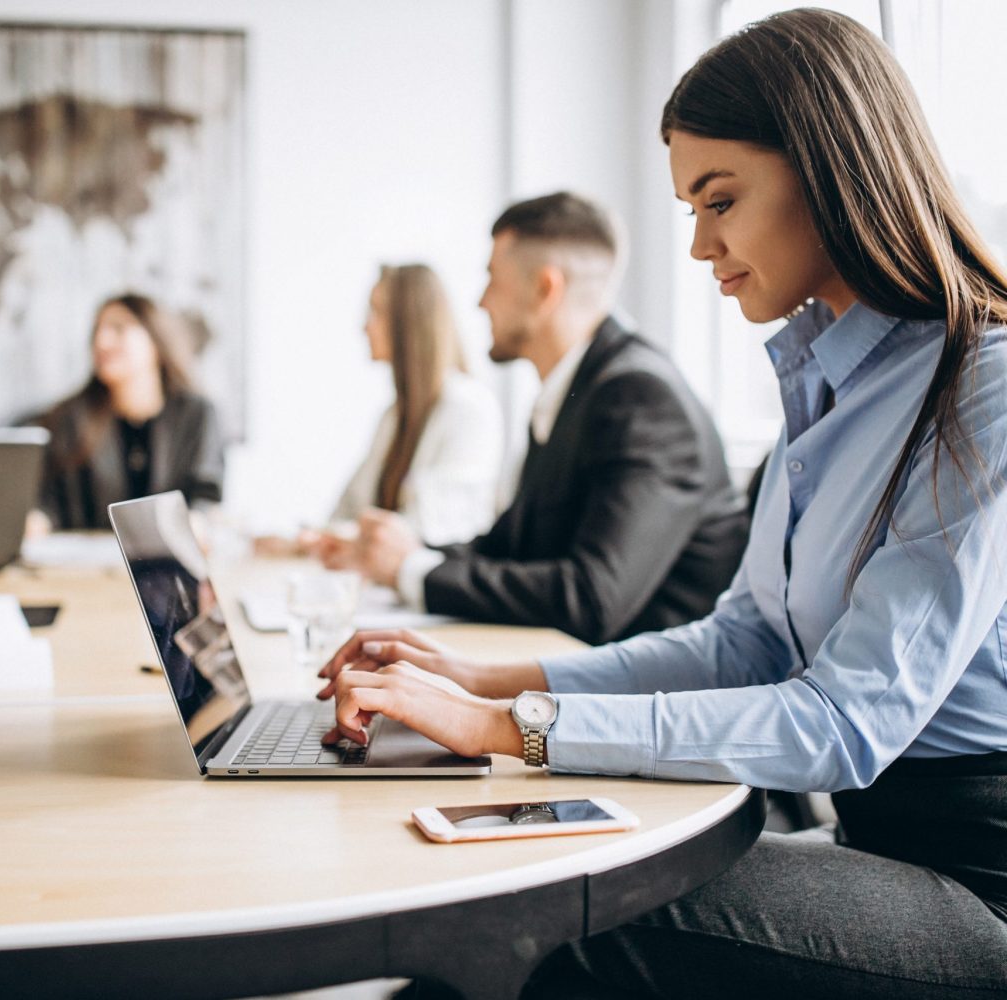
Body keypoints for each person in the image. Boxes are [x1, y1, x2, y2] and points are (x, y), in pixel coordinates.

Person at [319, 9, 1007, 996]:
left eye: (719, 200)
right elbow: (742, 645)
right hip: (874, 843)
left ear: (829, 168)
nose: (698, 245)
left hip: (973, 884)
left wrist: (505, 724)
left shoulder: (981, 385)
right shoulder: (831, 385)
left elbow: (843, 725)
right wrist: (478, 675)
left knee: (544, 914)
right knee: (504, 886)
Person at [352, 193, 747, 645]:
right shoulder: (575, 389)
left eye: (492, 280)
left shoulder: (642, 399)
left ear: (545, 290)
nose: (481, 303)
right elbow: (509, 548)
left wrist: (411, 570)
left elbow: (593, 598)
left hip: (653, 696)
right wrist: (405, 551)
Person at [308, 263, 503, 561]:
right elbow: (348, 510)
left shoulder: (469, 408)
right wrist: (308, 539)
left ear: (409, 322)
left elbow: (427, 529)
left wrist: (336, 537)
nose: (364, 326)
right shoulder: (394, 416)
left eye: (376, 312)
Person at [29, 293, 224, 531]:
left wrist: (197, 521)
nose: (102, 341)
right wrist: (37, 520)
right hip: (83, 562)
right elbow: (50, 501)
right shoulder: (69, 417)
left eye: (118, 329)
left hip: (165, 559)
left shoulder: (196, 415)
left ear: (155, 341)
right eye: (97, 332)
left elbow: (206, 494)